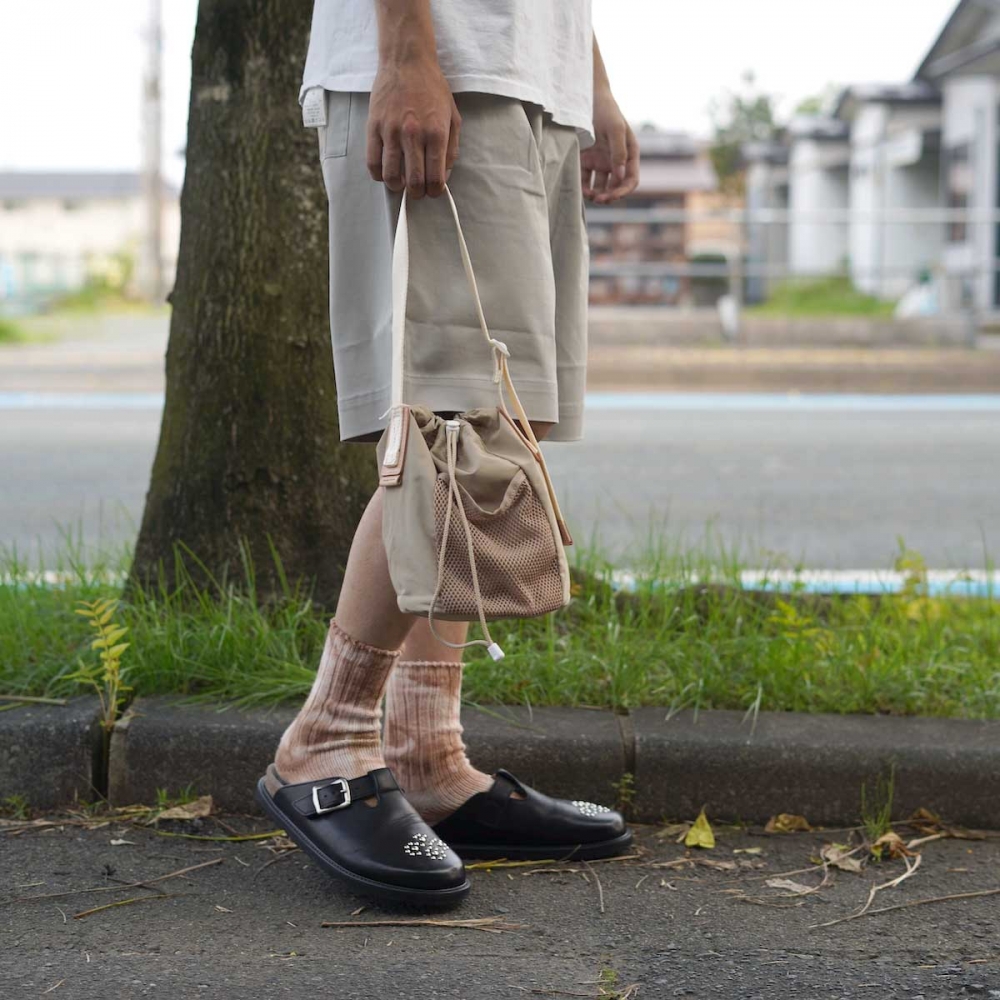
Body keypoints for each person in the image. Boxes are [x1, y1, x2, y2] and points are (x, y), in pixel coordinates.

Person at [256, 0, 641, 906]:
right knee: (453, 424)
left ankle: (426, 750)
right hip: (445, 70)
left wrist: (592, 82)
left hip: (526, 85)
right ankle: (328, 737)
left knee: (502, 420)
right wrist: (405, 52)